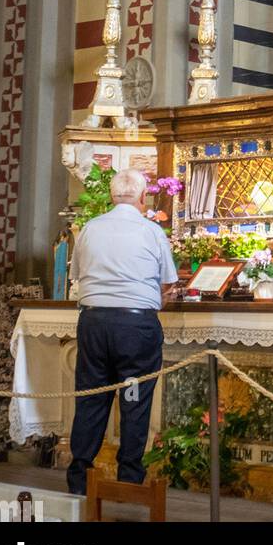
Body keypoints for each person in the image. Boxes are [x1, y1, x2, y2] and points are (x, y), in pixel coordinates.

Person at [66, 168, 178, 496]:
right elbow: (167, 284)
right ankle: (129, 481)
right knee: (134, 399)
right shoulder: (151, 232)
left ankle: (80, 478)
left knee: (92, 398)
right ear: (144, 199)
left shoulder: (89, 229)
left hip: (95, 324)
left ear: (112, 197)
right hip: (134, 328)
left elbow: (78, 275)